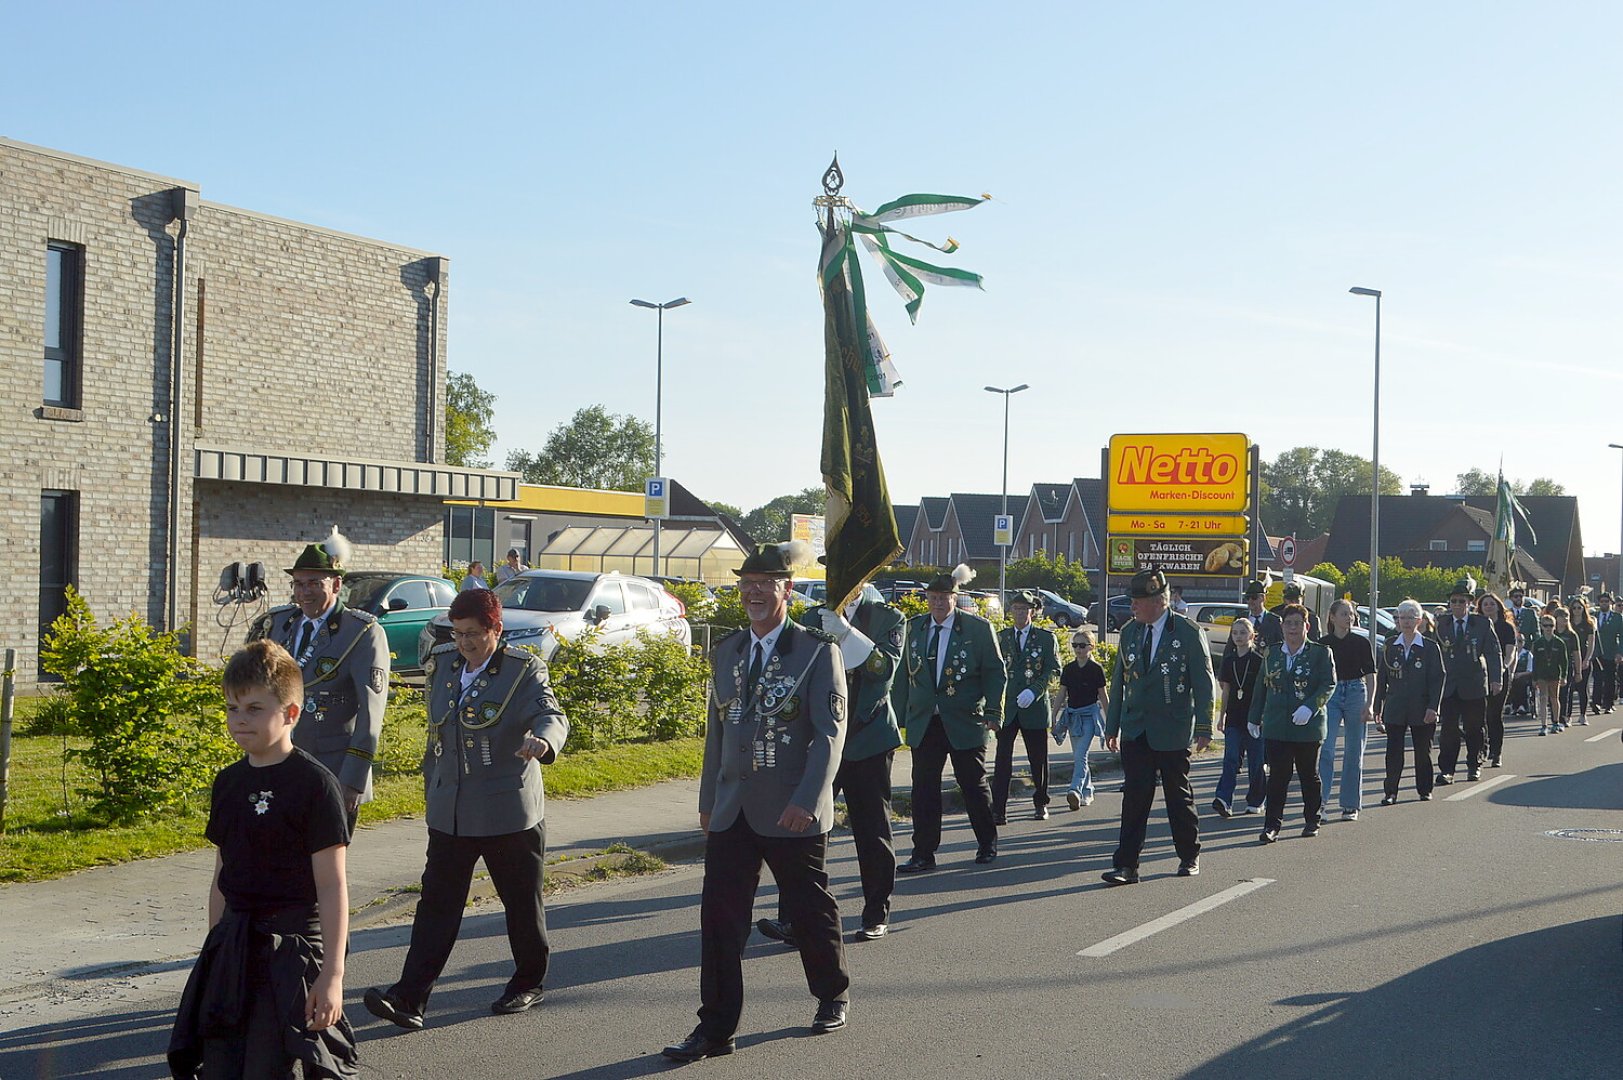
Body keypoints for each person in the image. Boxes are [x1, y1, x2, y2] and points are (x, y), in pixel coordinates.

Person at [662, 542, 850, 1062]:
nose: (753, 593)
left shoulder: (816, 651)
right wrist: (707, 800)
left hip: (792, 810)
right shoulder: (727, 651)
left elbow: (829, 735)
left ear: (786, 590)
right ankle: (715, 1028)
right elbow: (715, 734)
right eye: (746, 583)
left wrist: (808, 800)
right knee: (720, 920)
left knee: (810, 912)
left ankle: (831, 992)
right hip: (732, 809)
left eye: (764, 584)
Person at [363, 587, 569, 1031]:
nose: (465, 643)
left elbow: (551, 715)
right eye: (457, 634)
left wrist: (544, 742)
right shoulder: (444, 665)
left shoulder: (523, 669)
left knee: (520, 902)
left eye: (473, 634)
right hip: (451, 810)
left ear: (496, 629)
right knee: (436, 904)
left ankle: (528, 981)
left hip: (506, 811)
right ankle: (410, 997)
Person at [168, 640, 357, 1079]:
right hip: (234, 946)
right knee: (219, 1068)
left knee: (269, 1069)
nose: (239, 720)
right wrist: (215, 950)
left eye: (254, 708)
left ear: (290, 713)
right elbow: (222, 873)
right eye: (232, 708)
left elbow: (332, 886)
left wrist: (332, 975)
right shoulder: (228, 782)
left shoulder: (316, 785)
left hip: (290, 952)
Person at [759, 572, 904, 944]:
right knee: (801, 829)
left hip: (866, 738)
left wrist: (845, 634)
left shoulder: (888, 618)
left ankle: (876, 913)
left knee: (872, 832)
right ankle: (794, 918)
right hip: (819, 741)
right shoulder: (809, 619)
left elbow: (882, 671)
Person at [248, 527, 388, 830]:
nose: (305, 592)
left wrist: (354, 778)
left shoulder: (361, 631)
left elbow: (371, 714)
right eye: (298, 584)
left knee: (324, 865)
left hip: (333, 769)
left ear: (336, 584)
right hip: (279, 765)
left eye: (314, 583)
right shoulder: (281, 623)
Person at [1101, 566, 1214, 884]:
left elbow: (1203, 684)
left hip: (1172, 728)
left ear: (1159, 601)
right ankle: (1126, 865)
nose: (1133, 606)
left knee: (1177, 796)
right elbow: (1119, 683)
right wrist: (1112, 726)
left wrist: (1204, 726)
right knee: (1135, 797)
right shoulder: (1129, 633)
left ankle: (1188, 855)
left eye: (1138, 600)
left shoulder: (1188, 633)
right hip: (1136, 728)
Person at [893, 564, 1006, 872]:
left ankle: (987, 842)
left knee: (972, 783)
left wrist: (995, 711)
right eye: (933, 597)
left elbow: (995, 673)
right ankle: (923, 853)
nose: (938, 603)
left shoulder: (977, 628)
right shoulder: (914, 628)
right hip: (925, 721)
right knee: (923, 788)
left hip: (964, 719)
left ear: (956, 598)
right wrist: (897, 715)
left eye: (945, 597)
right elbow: (903, 675)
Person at [1248, 604, 1333, 842]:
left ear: (1307, 626)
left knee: (1308, 774)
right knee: (1278, 777)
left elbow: (1328, 684)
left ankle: (1312, 819)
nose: (1292, 628)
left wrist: (1311, 706)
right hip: (1277, 724)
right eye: (1288, 623)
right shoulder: (1272, 653)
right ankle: (1272, 825)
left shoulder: (1320, 653)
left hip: (1307, 726)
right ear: (1282, 627)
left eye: (1297, 623)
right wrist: (1254, 717)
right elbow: (1261, 686)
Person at [992, 590, 1061, 823]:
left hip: (1034, 706)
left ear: (1032, 611)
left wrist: (1036, 690)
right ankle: (999, 808)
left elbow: (1053, 670)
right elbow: (992, 671)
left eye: (1025, 609)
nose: (1020, 613)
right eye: (1016, 609)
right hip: (1009, 707)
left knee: (1038, 760)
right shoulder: (1001, 638)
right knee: (1002, 760)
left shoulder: (1044, 638)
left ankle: (1041, 802)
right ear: (1011, 611)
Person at [1372, 599, 1444, 804]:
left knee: (1423, 751)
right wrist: (1377, 707)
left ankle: (1424, 789)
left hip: (1421, 707)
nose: (1405, 622)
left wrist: (1433, 707)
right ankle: (1391, 792)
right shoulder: (1390, 645)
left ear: (1419, 621)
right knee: (1393, 752)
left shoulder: (1430, 647)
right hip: (1396, 707)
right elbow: (1382, 678)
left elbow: (1438, 678)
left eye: (1410, 618)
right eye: (1401, 618)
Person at [1433, 577, 1502, 785]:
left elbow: (1493, 652)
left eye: (1461, 601)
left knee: (1474, 728)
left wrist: (1496, 679)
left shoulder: (1481, 623)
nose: (1457, 605)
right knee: (1449, 730)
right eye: (1453, 601)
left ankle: (1474, 765)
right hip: (1449, 685)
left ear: (1469, 603)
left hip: (1473, 683)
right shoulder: (1442, 624)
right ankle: (1447, 770)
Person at [1315, 599, 1377, 822]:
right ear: (1332, 617)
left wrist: (1370, 704)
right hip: (1331, 694)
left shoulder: (1361, 642)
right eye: (1343, 614)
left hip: (1355, 692)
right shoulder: (1323, 644)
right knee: (1327, 749)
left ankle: (1350, 804)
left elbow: (1371, 674)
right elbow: (1318, 676)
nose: (1348, 618)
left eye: (1350, 614)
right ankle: (1319, 803)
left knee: (1353, 750)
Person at [1212, 617, 1266, 818]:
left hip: (1253, 718)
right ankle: (1224, 799)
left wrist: (1261, 716)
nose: (1239, 637)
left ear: (1252, 636)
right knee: (1231, 759)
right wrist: (1221, 716)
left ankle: (1256, 800)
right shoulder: (1229, 661)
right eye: (1235, 633)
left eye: (1243, 633)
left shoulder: (1259, 661)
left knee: (1256, 762)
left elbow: (1264, 690)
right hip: (1234, 717)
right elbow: (1226, 690)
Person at [1053, 629, 1107, 810]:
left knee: (1081, 754)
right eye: (1075, 645)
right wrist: (1053, 716)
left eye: (1082, 645)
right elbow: (1061, 694)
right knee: (1079, 757)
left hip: (1090, 716)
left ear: (1091, 647)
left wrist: (1111, 722)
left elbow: (1103, 696)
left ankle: (1074, 789)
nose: (1078, 649)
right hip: (1072, 716)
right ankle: (1088, 791)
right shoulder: (1068, 669)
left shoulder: (1096, 669)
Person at [1476, 592, 1518, 768]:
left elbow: (1510, 652)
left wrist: (1503, 667)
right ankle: (1482, 749)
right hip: (1479, 675)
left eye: (1491, 604)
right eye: (1485, 604)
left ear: (1498, 607)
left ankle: (1496, 752)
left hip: (1500, 674)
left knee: (1495, 714)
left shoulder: (1506, 628)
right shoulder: (1477, 626)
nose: (1488, 607)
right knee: (1480, 715)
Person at [1529, 613, 1567, 735]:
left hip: (1555, 674)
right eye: (1545, 625)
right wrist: (1534, 678)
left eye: (1550, 625)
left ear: (1554, 626)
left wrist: (1564, 676)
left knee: (1554, 698)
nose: (1548, 628)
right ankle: (1543, 725)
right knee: (1543, 698)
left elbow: (1564, 661)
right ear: (1541, 626)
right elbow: (1534, 662)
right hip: (1541, 675)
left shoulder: (1559, 643)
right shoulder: (1538, 643)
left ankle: (1555, 722)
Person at [1551, 607, 1582, 733]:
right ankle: (1555, 718)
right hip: (1552, 668)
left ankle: (1564, 717)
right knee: (1553, 695)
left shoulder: (1571, 635)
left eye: (1566, 616)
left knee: (1565, 693)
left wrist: (1578, 671)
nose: (1564, 619)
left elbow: (1576, 653)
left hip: (1567, 667)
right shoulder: (1551, 633)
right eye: (1561, 616)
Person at [1566, 598, 1596, 724]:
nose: (1577, 610)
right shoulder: (1568, 623)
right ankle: (1567, 715)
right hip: (1570, 658)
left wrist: (1587, 659)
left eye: (1579, 607)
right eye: (1574, 608)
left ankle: (1583, 715)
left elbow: (1591, 644)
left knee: (1582, 687)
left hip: (1583, 657)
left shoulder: (1588, 624)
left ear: (1584, 609)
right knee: (1570, 688)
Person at [1594, 593, 1621, 714]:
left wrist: (1620, 652)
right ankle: (1596, 702)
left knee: (1610, 678)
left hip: (1611, 652)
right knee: (1597, 678)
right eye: (1602, 601)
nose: (1604, 604)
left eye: (1606, 601)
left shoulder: (1617, 617)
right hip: (1597, 652)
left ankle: (1608, 704)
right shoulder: (1594, 616)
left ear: (1611, 603)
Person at [1242, 579, 1284, 651]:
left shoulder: (1275, 620)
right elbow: (1230, 645)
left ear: (1263, 598)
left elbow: (1281, 645)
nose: (1250, 601)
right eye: (1247, 598)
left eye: (1254, 597)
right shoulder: (1241, 618)